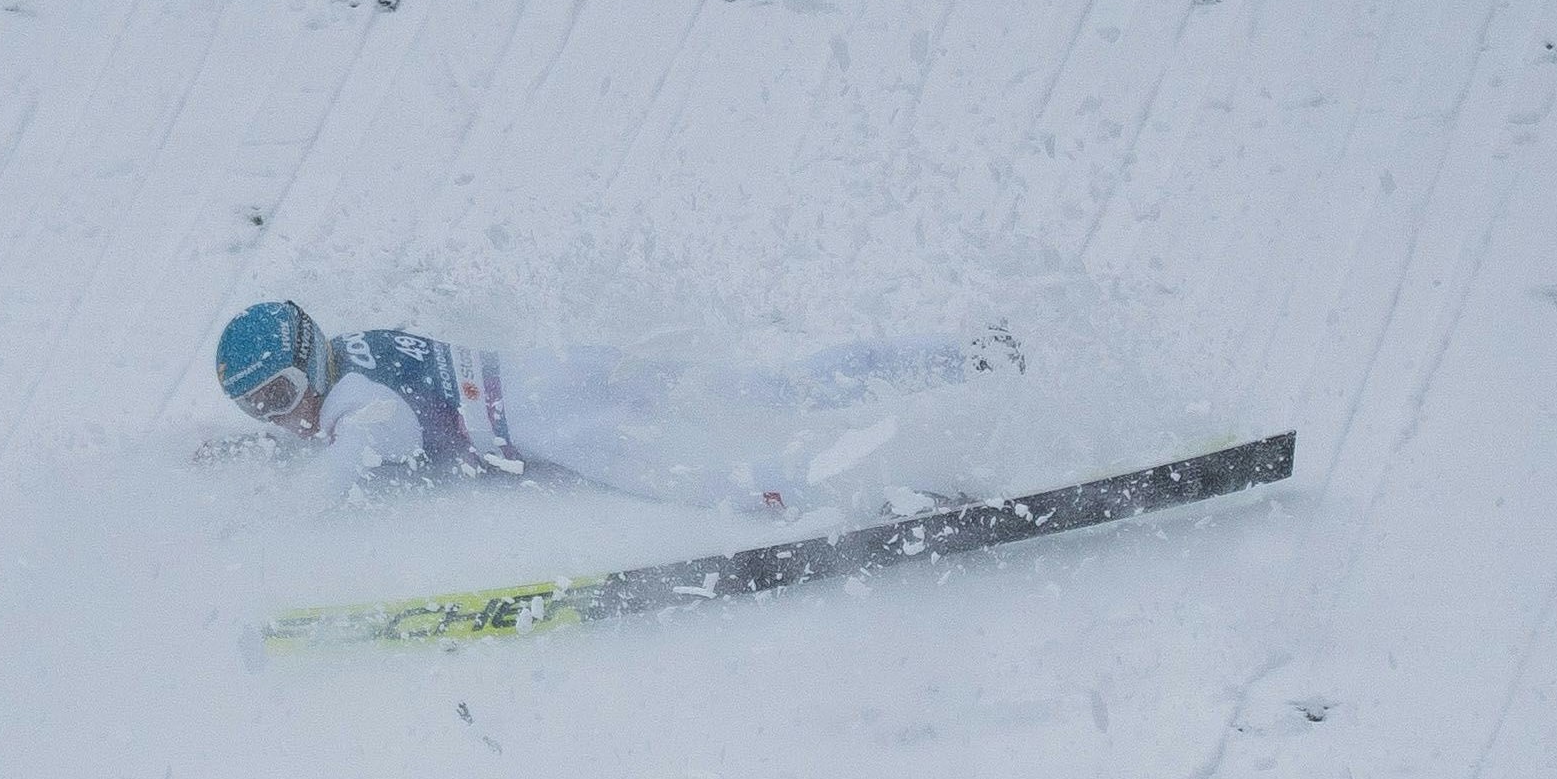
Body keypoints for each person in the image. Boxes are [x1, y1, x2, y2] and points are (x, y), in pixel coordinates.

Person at [212, 300, 1024, 513]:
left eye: (280, 396)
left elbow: (353, 458)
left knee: (730, 486)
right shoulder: (353, 353)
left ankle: (908, 483)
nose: (281, 418)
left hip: (561, 426)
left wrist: (268, 530)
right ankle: (966, 356)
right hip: (569, 371)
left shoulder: (358, 408)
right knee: (765, 391)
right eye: (260, 411)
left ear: (309, 364)